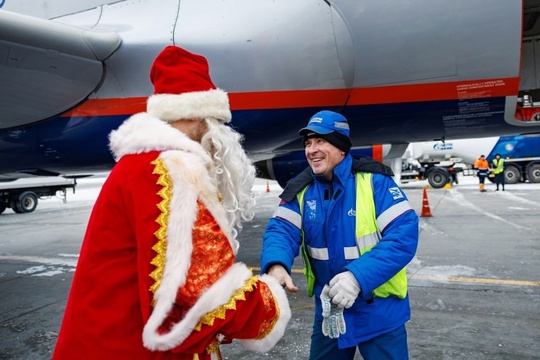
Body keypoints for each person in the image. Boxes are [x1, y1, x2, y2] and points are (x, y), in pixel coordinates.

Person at [53, 46, 290, 359]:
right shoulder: (173, 170)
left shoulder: (140, 164)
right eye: (214, 121)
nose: (216, 131)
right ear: (194, 115)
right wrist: (270, 303)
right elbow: (203, 288)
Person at [260, 110, 419, 360]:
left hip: (378, 313)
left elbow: (403, 236)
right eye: (308, 143)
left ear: (341, 148)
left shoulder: (375, 182)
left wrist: (357, 277)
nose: (312, 149)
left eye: (320, 141)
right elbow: (281, 229)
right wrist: (276, 263)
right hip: (329, 310)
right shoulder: (301, 189)